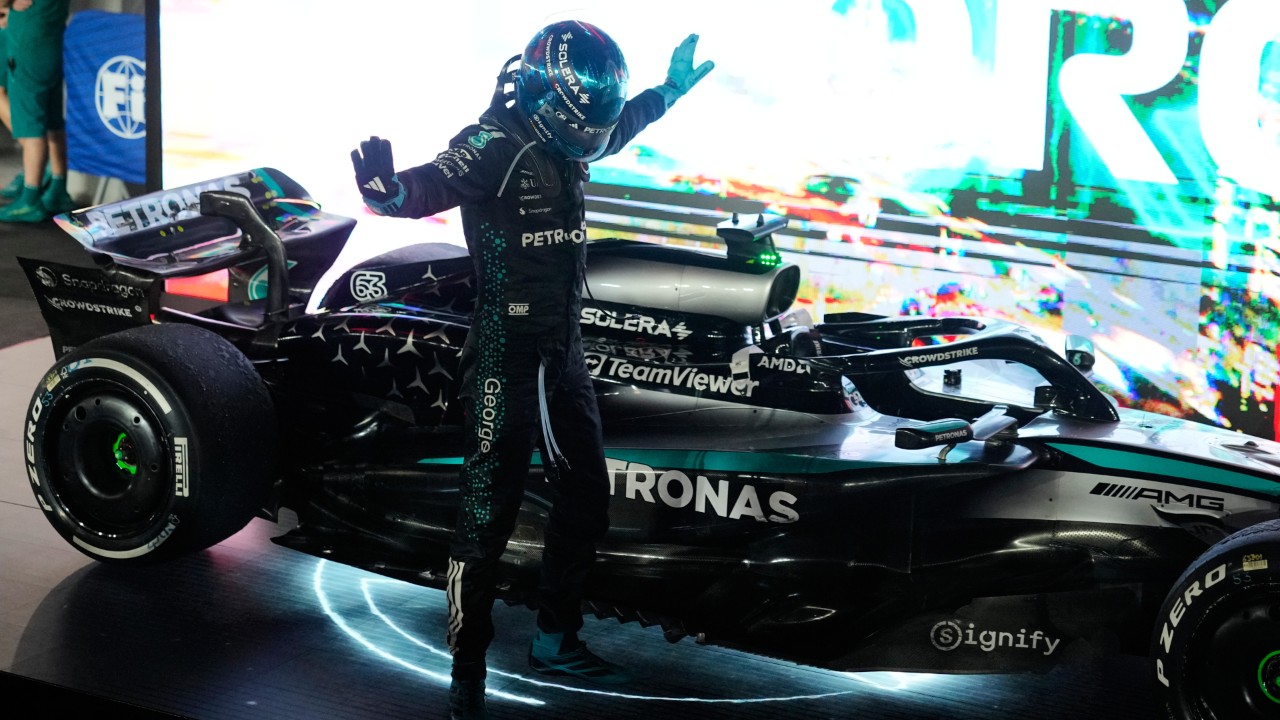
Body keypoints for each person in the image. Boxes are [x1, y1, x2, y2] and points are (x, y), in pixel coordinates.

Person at [351, 20, 712, 720]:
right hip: (503, 354)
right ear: (548, 105)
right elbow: (419, 190)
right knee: (487, 514)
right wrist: (384, 192)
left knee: (587, 499)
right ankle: (466, 674)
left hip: (561, 349)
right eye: (583, 132)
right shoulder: (491, 144)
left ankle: (554, 638)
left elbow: (619, 124)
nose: (593, 146)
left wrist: (668, 90)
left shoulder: (576, 125)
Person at [0, 0, 72, 222]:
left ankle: (30, 199)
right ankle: (58, 188)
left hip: (28, 44)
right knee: (51, 121)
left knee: (31, 127)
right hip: (49, 40)